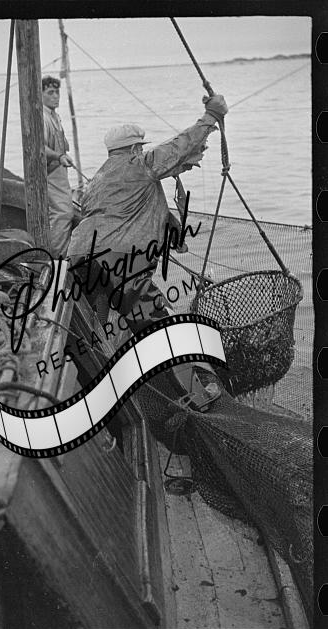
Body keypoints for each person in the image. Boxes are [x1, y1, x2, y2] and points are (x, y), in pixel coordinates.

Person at [68, 94, 228, 411]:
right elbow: (177, 147)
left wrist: (171, 228)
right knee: (158, 326)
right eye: (140, 148)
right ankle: (199, 397)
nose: (142, 152)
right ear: (134, 149)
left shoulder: (99, 178)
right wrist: (210, 117)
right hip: (118, 262)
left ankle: (103, 389)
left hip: (80, 259)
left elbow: (129, 212)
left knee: (101, 325)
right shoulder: (139, 165)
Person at [42, 75, 75, 258]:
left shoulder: (54, 115)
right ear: (39, 95)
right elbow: (40, 147)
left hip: (60, 173)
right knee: (63, 213)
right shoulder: (43, 117)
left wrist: (63, 153)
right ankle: (57, 259)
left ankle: (61, 256)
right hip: (51, 173)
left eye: (57, 92)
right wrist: (59, 156)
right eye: (50, 92)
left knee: (65, 211)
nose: (56, 96)